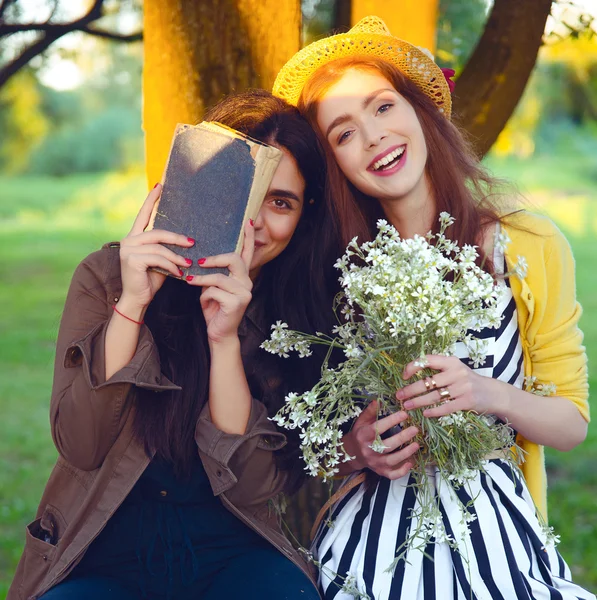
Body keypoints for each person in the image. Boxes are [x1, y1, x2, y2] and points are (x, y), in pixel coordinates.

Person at [272, 16, 593, 600]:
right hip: (370, 543)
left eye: (382, 107)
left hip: (496, 535)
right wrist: (356, 449)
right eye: (343, 134)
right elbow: (301, 445)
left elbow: (571, 423)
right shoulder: (336, 272)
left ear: (421, 111)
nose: (372, 137)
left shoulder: (528, 245)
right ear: (334, 165)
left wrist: (483, 392)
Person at [8, 89, 337, 600]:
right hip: (99, 550)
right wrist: (132, 304)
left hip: (232, 552)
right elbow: (81, 444)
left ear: (302, 218)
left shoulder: (297, 315)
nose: (253, 223)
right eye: (243, 192)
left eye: (280, 202)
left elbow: (251, 486)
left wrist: (224, 338)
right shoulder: (107, 276)